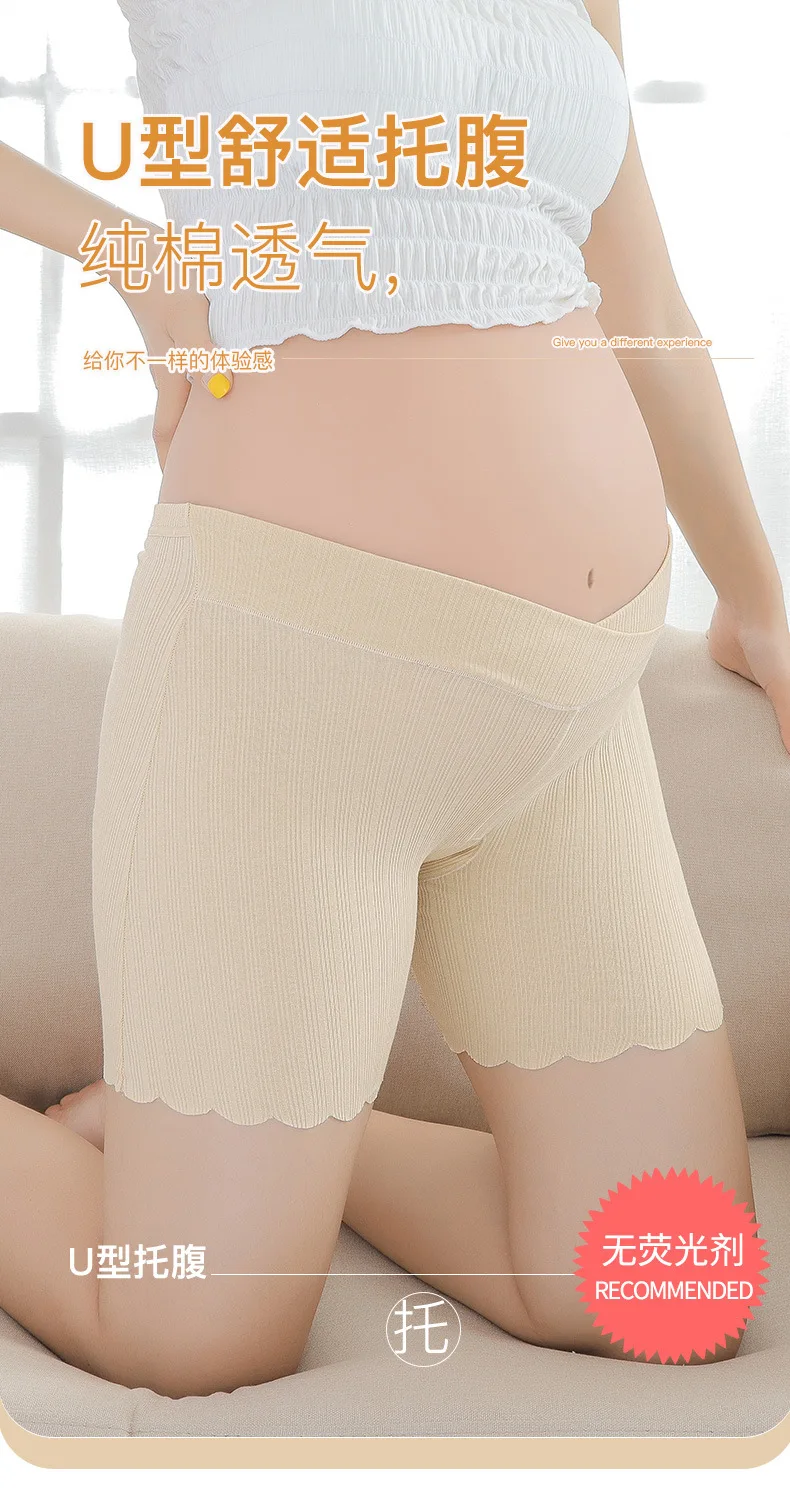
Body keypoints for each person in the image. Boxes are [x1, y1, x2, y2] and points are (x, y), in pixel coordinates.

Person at [1, 0, 788, 1400]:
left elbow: (644, 311)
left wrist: (760, 602)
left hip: (568, 726)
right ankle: (238, 1174)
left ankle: (308, 1149)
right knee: (192, 1331)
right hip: (282, 691)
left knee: (667, 1284)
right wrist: (141, 259)